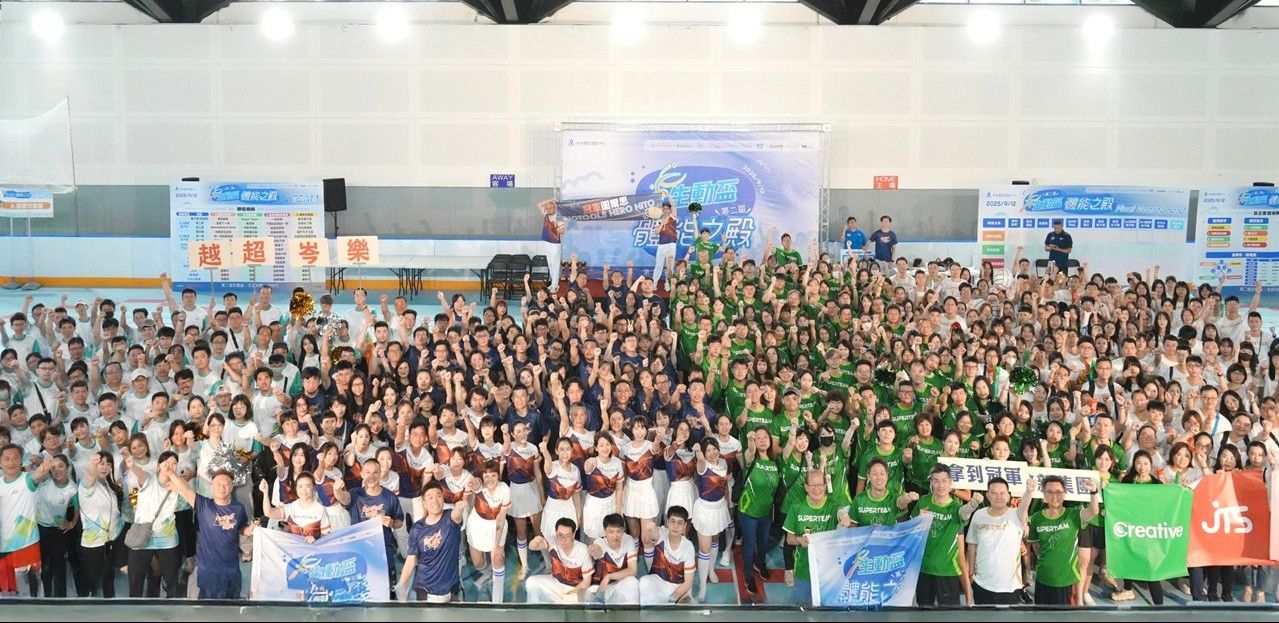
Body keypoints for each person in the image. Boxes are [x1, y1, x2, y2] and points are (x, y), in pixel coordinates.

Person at [160, 464, 252, 599]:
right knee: (208, 606)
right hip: (208, 570)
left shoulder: (239, 508)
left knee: (231, 605)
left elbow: (242, 529)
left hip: (231, 570)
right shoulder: (203, 505)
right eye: (218, 484)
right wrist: (170, 473)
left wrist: (250, 530)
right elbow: (185, 489)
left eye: (226, 484)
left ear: (232, 486)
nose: (222, 487)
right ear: (211, 487)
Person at [1021, 475, 1100, 605]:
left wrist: (1093, 492)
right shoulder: (1036, 518)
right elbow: (1035, 545)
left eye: (1058, 492)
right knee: (1041, 614)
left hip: (1066, 582)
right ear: (1044, 495)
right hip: (1043, 580)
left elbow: (1093, 511)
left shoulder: (1073, 515)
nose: (1054, 496)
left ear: (1064, 494)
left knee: (1064, 615)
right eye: (1050, 492)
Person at [336, 456, 404, 598]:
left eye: (375, 472)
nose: (371, 476)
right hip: (360, 552)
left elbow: (400, 521)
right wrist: (337, 490)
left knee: (386, 591)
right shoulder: (355, 494)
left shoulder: (390, 497)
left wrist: (391, 523)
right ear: (362, 474)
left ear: (380, 474)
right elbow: (342, 498)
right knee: (361, 591)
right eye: (368, 472)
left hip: (384, 551)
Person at [912, 464, 977, 607]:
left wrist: (969, 594)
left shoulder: (957, 509)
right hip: (923, 570)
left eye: (944, 481)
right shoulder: (923, 502)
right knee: (922, 614)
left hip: (948, 573)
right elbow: (911, 535)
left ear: (950, 483)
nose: (940, 485)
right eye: (936, 481)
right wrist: (919, 521)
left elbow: (961, 554)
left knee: (949, 615)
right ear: (931, 483)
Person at [398, 480, 472, 603]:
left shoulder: (450, 519)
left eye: (438, 496)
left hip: (451, 590)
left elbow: (456, 515)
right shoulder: (417, 528)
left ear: (443, 499)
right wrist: (402, 585)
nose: (435, 501)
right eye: (430, 497)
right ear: (424, 503)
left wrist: (460, 507)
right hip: (425, 590)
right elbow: (411, 560)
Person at [782, 469, 840, 607]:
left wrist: (844, 517)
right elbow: (789, 539)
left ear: (825, 486)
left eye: (820, 485)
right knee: (804, 606)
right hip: (804, 570)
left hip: (828, 571)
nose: (817, 489)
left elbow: (846, 524)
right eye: (812, 485)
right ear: (806, 487)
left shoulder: (834, 506)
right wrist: (799, 540)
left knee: (826, 606)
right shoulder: (797, 506)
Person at [964, 477, 1023, 604]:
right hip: (981, 584)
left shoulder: (1016, 515)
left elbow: (1025, 505)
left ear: (1008, 495)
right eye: (994, 493)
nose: (998, 496)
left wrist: (1029, 491)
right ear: (987, 495)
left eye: (1002, 493)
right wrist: (971, 575)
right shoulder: (978, 515)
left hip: (1009, 588)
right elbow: (972, 546)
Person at [525, 517, 593, 604]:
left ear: (573, 535)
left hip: (574, 589)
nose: (563, 539)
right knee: (531, 582)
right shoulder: (552, 541)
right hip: (555, 583)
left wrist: (570, 594)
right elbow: (532, 547)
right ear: (556, 532)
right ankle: (534, 608)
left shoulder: (583, 550)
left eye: (567, 535)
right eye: (560, 535)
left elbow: (586, 582)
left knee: (581, 597)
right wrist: (536, 540)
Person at [639, 505, 696, 605]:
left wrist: (671, 599)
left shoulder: (688, 547)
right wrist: (650, 528)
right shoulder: (661, 534)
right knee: (644, 582)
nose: (675, 526)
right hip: (659, 581)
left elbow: (688, 582)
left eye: (679, 523)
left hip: (678, 586)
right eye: (672, 521)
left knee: (686, 602)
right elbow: (653, 533)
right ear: (667, 522)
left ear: (685, 525)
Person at [586, 513, 639, 605]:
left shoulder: (628, 540)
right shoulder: (600, 542)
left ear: (623, 530)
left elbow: (633, 570)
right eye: (611, 532)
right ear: (604, 532)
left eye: (618, 531)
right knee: (590, 593)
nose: (615, 536)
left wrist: (609, 576)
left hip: (621, 585)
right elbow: (597, 550)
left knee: (632, 581)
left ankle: (631, 611)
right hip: (603, 588)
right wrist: (593, 549)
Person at [536, 198, 566, 292]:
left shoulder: (559, 217)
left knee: (555, 265)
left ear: (554, 208)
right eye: (547, 208)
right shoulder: (546, 214)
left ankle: (555, 286)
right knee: (550, 264)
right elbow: (539, 204)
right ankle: (553, 283)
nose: (549, 210)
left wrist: (557, 227)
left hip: (555, 244)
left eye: (551, 208)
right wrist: (551, 199)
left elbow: (563, 232)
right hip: (547, 242)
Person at [653, 198, 679, 289]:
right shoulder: (658, 219)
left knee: (670, 266)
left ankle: (668, 284)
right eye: (664, 209)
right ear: (662, 210)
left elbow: (674, 206)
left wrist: (668, 196)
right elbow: (656, 232)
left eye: (667, 209)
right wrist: (662, 223)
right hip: (662, 245)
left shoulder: (673, 216)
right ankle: (654, 284)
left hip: (671, 244)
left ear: (670, 209)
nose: (665, 210)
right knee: (658, 265)